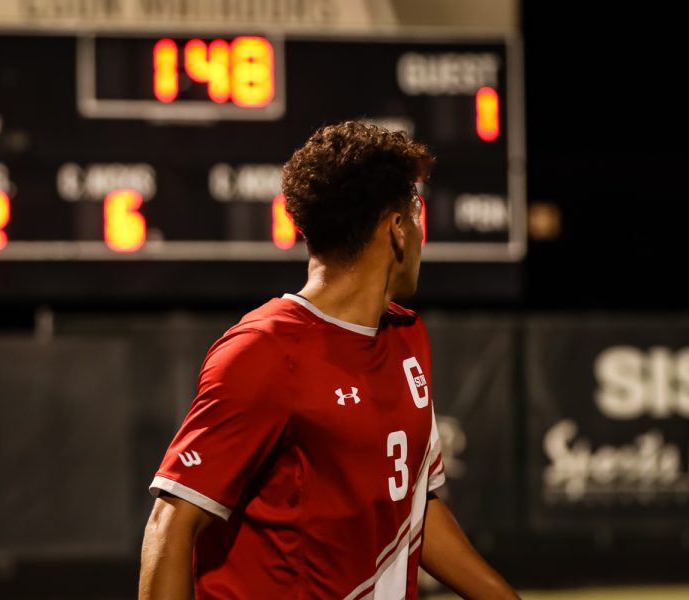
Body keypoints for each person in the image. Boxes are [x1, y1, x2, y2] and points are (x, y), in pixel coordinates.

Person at [139, 122, 518, 599]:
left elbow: (412, 506)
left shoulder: (407, 336)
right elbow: (171, 523)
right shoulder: (264, 351)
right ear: (397, 230)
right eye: (416, 214)